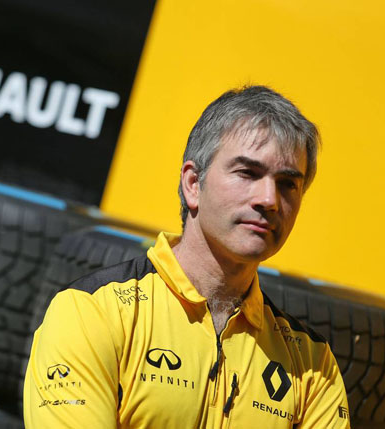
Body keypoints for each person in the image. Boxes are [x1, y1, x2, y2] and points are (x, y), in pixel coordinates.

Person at [24, 85, 350, 428]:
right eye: (247, 173)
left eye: (287, 184)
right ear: (193, 183)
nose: (269, 199)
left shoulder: (313, 363)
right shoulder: (93, 311)